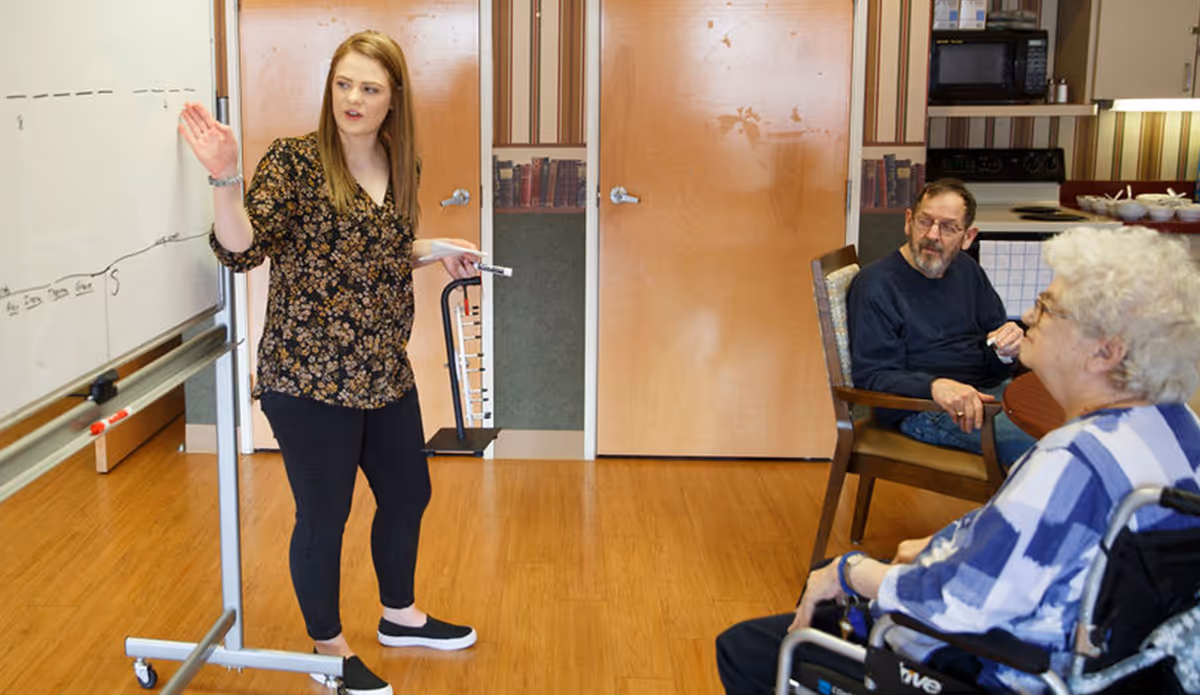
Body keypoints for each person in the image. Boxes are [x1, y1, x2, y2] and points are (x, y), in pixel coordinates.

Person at [716, 226, 1200, 693]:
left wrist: (850, 571)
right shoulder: (1179, 429)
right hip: (1103, 661)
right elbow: (1027, 545)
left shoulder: (1070, 464)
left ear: (1105, 352)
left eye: (1048, 309)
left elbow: (955, 606)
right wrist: (941, 542)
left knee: (750, 647)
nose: (1029, 317)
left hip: (991, 668)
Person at [178, 30, 478, 695]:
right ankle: (328, 651)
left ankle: (399, 615)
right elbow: (242, 250)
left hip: (381, 370)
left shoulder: (402, 162)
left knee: (408, 493)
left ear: (393, 99)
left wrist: (433, 247)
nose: (352, 98)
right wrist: (226, 178)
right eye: (343, 83)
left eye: (369, 88)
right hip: (307, 377)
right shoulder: (295, 162)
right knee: (324, 514)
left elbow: (379, 247)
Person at [847, 178, 1036, 469]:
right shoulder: (876, 285)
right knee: (1047, 447)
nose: (933, 235)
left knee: (1073, 426)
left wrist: (1004, 350)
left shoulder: (968, 270)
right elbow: (871, 374)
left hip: (985, 391)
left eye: (948, 227)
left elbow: (995, 354)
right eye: (925, 221)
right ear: (909, 221)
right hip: (925, 409)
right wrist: (935, 386)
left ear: (968, 236)